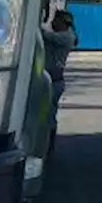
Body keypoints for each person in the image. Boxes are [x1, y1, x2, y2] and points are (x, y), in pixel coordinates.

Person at [41, 10, 76, 154]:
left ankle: (48, 147)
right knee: (48, 114)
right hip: (53, 80)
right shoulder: (62, 35)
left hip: (54, 81)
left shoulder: (65, 37)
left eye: (56, 20)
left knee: (49, 116)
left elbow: (43, 35)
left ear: (63, 23)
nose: (53, 23)